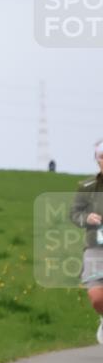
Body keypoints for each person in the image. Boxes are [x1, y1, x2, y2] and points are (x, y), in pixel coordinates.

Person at [69, 140, 103, 344]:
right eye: (102, 156)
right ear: (97, 159)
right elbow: (74, 213)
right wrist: (86, 218)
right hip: (95, 247)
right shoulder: (86, 186)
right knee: (97, 298)